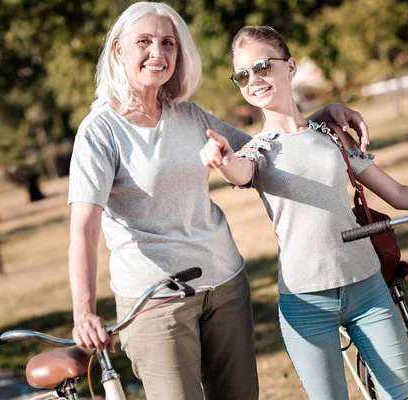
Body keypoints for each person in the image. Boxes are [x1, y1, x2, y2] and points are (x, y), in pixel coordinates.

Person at [67, 3, 372, 399]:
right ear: (118, 51)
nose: (158, 53)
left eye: (168, 43)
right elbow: (83, 229)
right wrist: (84, 310)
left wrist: (322, 115)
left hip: (226, 283)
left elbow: (270, 150)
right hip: (157, 300)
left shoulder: (189, 116)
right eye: (144, 42)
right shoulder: (100, 132)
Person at [200, 25, 408, 400]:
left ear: (290, 67)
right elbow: (239, 172)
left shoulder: (331, 135)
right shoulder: (257, 151)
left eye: (261, 66)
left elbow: (399, 193)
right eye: (241, 75)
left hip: (368, 289)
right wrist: (223, 161)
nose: (252, 80)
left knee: (405, 394)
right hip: (305, 305)